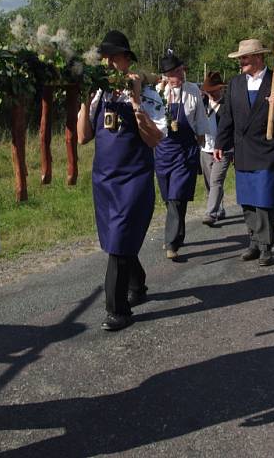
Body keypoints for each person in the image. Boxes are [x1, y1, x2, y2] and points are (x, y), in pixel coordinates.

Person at [77, 30, 166, 332]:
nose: (108, 63)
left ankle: (118, 309)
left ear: (127, 60)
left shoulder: (150, 95)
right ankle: (138, 284)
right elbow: (83, 137)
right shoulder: (99, 95)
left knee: (119, 239)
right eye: (105, 58)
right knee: (117, 239)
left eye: (114, 57)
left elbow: (155, 139)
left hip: (134, 179)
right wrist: (83, 102)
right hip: (105, 180)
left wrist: (137, 101)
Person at [214, 38, 274, 267]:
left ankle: (265, 246)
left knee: (263, 198)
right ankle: (253, 241)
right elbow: (227, 117)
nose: (241, 61)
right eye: (240, 58)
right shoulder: (235, 83)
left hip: (268, 148)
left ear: (259, 57)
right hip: (243, 147)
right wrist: (220, 144)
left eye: (245, 57)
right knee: (248, 198)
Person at [154, 49, 207, 260]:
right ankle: (178, 233)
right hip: (163, 151)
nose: (176, 77)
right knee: (170, 197)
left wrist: (202, 142)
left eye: (178, 72)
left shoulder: (193, 90)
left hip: (185, 151)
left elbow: (201, 120)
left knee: (176, 196)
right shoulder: (157, 92)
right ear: (165, 76)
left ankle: (171, 243)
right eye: (171, 74)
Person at [199, 71, 231, 226]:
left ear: (220, 89)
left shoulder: (227, 105)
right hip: (205, 148)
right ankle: (219, 209)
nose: (210, 94)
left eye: (213, 91)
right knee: (209, 184)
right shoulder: (202, 102)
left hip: (223, 149)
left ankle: (210, 214)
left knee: (216, 181)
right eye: (208, 91)